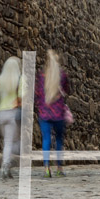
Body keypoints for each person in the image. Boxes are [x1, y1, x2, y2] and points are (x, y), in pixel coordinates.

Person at [35, 49, 70, 178]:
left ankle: (46, 168)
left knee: (46, 139)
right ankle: (59, 168)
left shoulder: (41, 76)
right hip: (58, 113)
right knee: (59, 140)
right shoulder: (62, 75)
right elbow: (66, 90)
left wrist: (40, 106)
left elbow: (38, 94)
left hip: (44, 113)